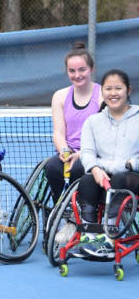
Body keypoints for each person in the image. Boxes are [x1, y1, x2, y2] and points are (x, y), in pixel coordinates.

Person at [75, 69, 139, 258]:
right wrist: (94, 168)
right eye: (108, 89)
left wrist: (130, 164)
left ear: (128, 90)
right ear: (102, 92)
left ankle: (110, 233)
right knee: (86, 181)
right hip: (102, 175)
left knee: (119, 178)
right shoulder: (93, 121)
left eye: (118, 88)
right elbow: (86, 153)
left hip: (132, 176)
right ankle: (89, 234)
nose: (113, 93)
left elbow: (125, 167)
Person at [46, 42, 101, 203]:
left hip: (95, 153)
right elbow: (58, 132)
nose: (77, 75)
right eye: (72, 71)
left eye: (82, 69)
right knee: (52, 168)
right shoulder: (60, 96)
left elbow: (107, 134)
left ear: (91, 69)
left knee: (79, 168)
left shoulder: (102, 95)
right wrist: (64, 151)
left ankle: (84, 209)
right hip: (69, 152)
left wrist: (84, 153)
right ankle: (59, 209)